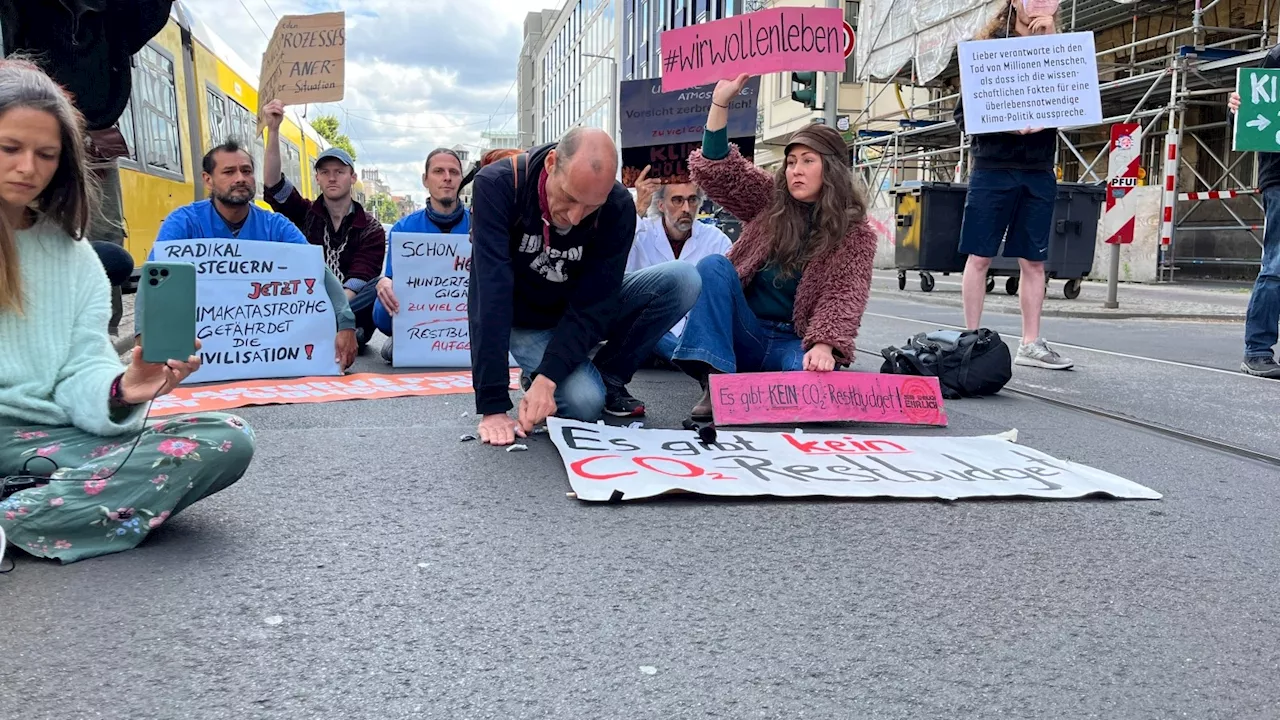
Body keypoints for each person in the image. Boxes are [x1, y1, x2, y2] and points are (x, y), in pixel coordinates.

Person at [0, 58, 254, 564]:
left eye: (46, 154)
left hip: (49, 438)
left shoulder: (73, 258)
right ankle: (52, 503)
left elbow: (80, 368)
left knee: (228, 439)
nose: (28, 167)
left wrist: (122, 390)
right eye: (10, 148)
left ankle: (13, 515)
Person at [468, 127, 701, 444]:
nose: (575, 218)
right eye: (568, 198)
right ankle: (553, 375)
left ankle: (609, 376)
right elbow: (490, 294)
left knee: (683, 278)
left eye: (591, 207)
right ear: (552, 164)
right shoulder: (498, 185)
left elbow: (596, 302)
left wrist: (549, 379)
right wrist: (493, 404)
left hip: (575, 307)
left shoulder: (618, 206)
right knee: (585, 404)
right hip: (524, 319)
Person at [673, 73, 877, 420]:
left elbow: (844, 295)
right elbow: (720, 171)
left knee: (813, 398)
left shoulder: (855, 233)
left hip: (792, 342)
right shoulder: (770, 200)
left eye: (807, 161)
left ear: (832, 171)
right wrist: (720, 103)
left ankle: (754, 385)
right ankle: (717, 383)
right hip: (746, 331)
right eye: (791, 161)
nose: (795, 170)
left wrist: (825, 345)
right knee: (713, 266)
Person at [149, 140, 359, 372]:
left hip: (266, 346)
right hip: (203, 349)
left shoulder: (275, 225)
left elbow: (317, 270)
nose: (240, 178)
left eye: (246, 171)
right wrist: (145, 339)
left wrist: (345, 323)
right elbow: (155, 282)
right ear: (207, 179)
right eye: (229, 172)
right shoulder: (183, 222)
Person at [952, 0, 1073, 370]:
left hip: (1037, 168)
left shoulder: (1061, 51)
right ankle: (971, 338)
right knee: (979, 255)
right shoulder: (985, 50)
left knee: (1035, 260)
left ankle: (1031, 342)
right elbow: (962, 115)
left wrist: (1051, 43)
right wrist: (1005, 122)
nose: (1040, 3)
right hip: (993, 167)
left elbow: (1074, 102)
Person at [260, 99, 385, 350]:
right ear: (317, 178)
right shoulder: (305, 212)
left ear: (352, 177)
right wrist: (273, 130)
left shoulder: (371, 228)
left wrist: (330, 311)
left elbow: (359, 281)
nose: (332, 177)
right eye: (325, 171)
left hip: (348, 308)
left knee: (377, 286)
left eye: (339, 171)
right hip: (306, 301)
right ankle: (330, 331)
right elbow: (274, 186)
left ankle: (331, 328)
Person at [373, 147, 471, 364]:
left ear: (461, 180)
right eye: (438, 171)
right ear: (425, 180)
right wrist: (385, 282)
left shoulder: (481, 223)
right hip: (423, 314)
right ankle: (408, 337)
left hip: (466, 316)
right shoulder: (404, 228)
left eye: (453, 172)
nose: (447, 178)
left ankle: (410, 343)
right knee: (381, 305)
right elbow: (392, 277)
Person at [629, 166, 732, 363]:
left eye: (692, 200)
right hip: (652, 328)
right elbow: (616, 258)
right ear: (660, 205)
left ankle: (690, 355)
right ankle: (693, 359)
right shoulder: (642, 233)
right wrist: (638, 209)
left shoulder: (715, 240)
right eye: (677, 200)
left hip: (697, 329)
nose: (686, 208)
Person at [1229, 56, 1280, 378]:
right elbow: (1253, 105)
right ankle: (1258, 350)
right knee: (1277, 265)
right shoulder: (1277, 56)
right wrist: (1236, 106)